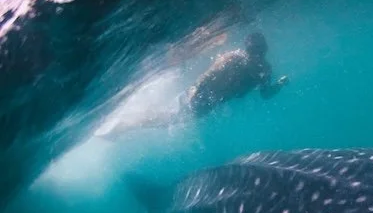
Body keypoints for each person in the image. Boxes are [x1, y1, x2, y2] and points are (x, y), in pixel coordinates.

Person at [99, 32, 288, 139]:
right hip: (200, 99)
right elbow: (265, 94)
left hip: (200, 97)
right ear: (263, 49)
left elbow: (210, 75)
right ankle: (122, 125)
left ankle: (126, 122)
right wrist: (280, 84)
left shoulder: (240, 59)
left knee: (164, 118)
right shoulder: (257, 67)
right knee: (163, 119)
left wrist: (195, 92)